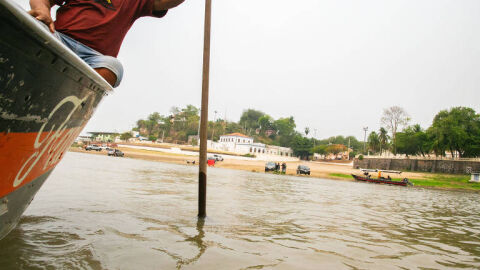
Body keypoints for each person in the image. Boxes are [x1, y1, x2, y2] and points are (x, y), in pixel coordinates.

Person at [28, 0, 185, 87]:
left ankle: (72, 99)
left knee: (113, 67)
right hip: (59, 39)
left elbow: (166, 1)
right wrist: (42, 10)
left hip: (94, 58)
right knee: (30, 25)